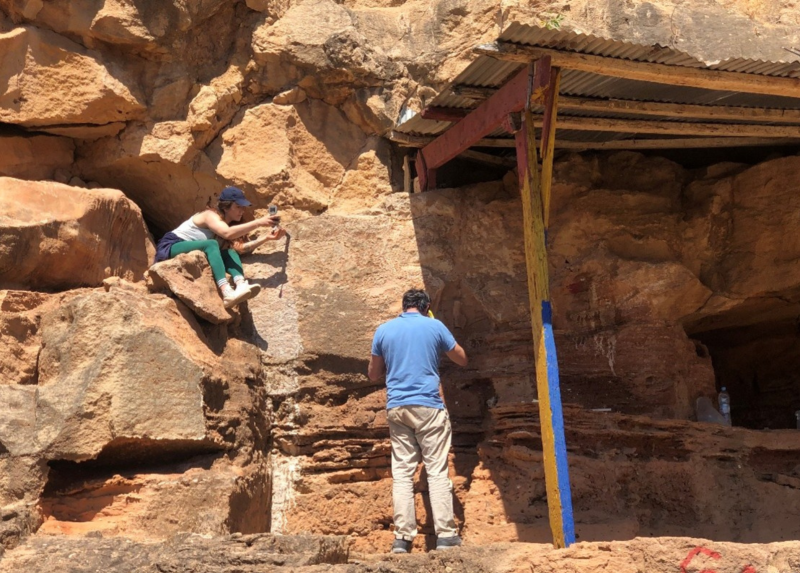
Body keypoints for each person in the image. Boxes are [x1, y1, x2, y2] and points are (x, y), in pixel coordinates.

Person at [368, 289, 468, 554]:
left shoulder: (384, 330)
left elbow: (373, 374)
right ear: (426, 307)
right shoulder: (434, 325)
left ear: (404, 307)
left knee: (401, 473)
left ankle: (402, 539)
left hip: (398, 407)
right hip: (428, 407)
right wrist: (434, 328)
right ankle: (446, 536)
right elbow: (461, 358)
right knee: (436, 470)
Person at [154, 186, 285, 308]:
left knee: (229, 251)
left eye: (243, 207)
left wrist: (266, 238)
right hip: (171, 246)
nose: (242, 210)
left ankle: (240, 284)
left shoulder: (226, 225)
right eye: (238, 206)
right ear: (226, 207)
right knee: (211, 244)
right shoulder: (210, 216)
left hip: (194, 247)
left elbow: (241, 248)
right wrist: (259, 222)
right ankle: (226, 291)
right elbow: (227, 233)